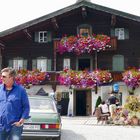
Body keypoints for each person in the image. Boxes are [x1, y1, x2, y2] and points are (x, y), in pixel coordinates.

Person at [0, 67, 30, 140]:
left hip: (15, 126)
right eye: (1, 76)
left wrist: (21, 121)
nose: (1, 78)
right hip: (1, 126)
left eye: (4, 76)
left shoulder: (21, 90)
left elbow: (26, 107)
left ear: (11, 77)